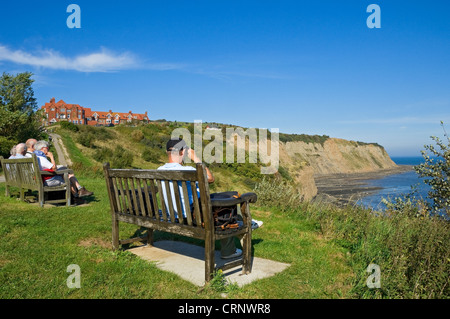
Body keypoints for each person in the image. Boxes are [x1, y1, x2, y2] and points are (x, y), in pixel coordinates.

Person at [158, 138, 262, 260]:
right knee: (224, 206)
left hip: (172, 215)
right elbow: (210, 178)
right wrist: (196, 158)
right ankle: (232, 246)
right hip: (192, 217)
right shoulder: (188, 170)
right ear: (181, 152)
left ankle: (245, 224)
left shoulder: (160, 170)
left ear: (167, 152)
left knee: (224, 197)